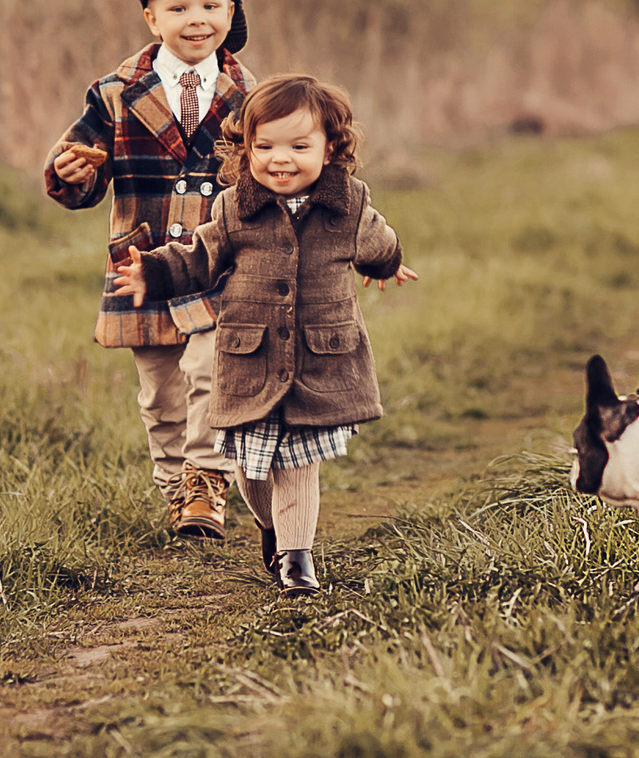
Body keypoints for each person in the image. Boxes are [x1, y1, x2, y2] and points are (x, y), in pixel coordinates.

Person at [115, 74, 415, 597]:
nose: (282, 159)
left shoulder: (349, 204)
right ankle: (273, 527)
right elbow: (198, 258)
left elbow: (379, 241)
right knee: (252, 469)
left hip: (318, 364)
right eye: (266, 146)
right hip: (249, 361)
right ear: (246, 149)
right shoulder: (233, 208)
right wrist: (154, 272)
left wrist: (388, 262)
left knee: (297, 464)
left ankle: (299, 562)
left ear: (331, 147)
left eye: (300, 146)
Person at [42, 0, 251, 542]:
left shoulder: (250, 94)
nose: (198, 18)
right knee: (160, 390)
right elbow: (77, 172)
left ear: (231, 10)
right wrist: (70, 171)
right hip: (143, 262)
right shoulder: (113, 93)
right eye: (179, 6)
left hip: (218, 262)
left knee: (212, 369)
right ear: (151, 19)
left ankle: (207, 481)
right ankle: (175, 486)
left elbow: (272, 172)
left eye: (211, 4)